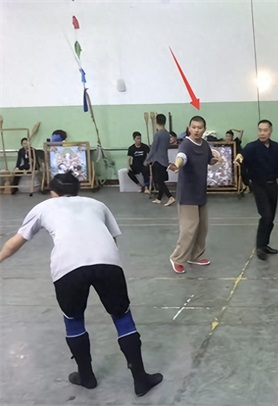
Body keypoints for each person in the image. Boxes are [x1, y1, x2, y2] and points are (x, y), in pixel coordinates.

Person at [0, 173, 163, 397]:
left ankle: (86, 377)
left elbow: (14, 243)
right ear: (78, 190)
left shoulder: (43, 207)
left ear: (53, 192)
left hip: (68, 267)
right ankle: (140, 380)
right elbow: (112, 240)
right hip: (107, 262)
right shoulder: (97, 204)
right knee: (122, 316)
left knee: (74, 319)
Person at [167, 116, 219, 274]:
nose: (196, 130)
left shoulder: (204, 145)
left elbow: (209, 159)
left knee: (202, 227)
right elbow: (181, 157)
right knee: (189, 228)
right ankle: (177, 258)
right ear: (189, 128)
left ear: (204, 129)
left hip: (200, 192)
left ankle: (194, 256)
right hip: (188, 194)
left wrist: (214, 160)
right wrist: (177, 165)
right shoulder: (186, 144)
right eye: (194, 127)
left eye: (200, 127)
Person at [234, 120, 278, 260]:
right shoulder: (252, 147)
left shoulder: (276, 147)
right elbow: (241, 156)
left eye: (265, 130)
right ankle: (260, 247)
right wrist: (238, 159)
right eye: (260, 130)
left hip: (272, 185)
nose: (262, 133)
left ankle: (265, 244)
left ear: (270, 131)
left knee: (271, 217)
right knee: (265, 215)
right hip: (258, 185)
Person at [145, 114, 175, 206]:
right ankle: (159, 198)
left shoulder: (158, 134)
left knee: (159, 181)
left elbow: (153, 148)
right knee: (161, 180)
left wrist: (147, 159)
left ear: (156, 122)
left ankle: (170, 197)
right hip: (164, 160)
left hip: (157, 161)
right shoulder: (167, 134)